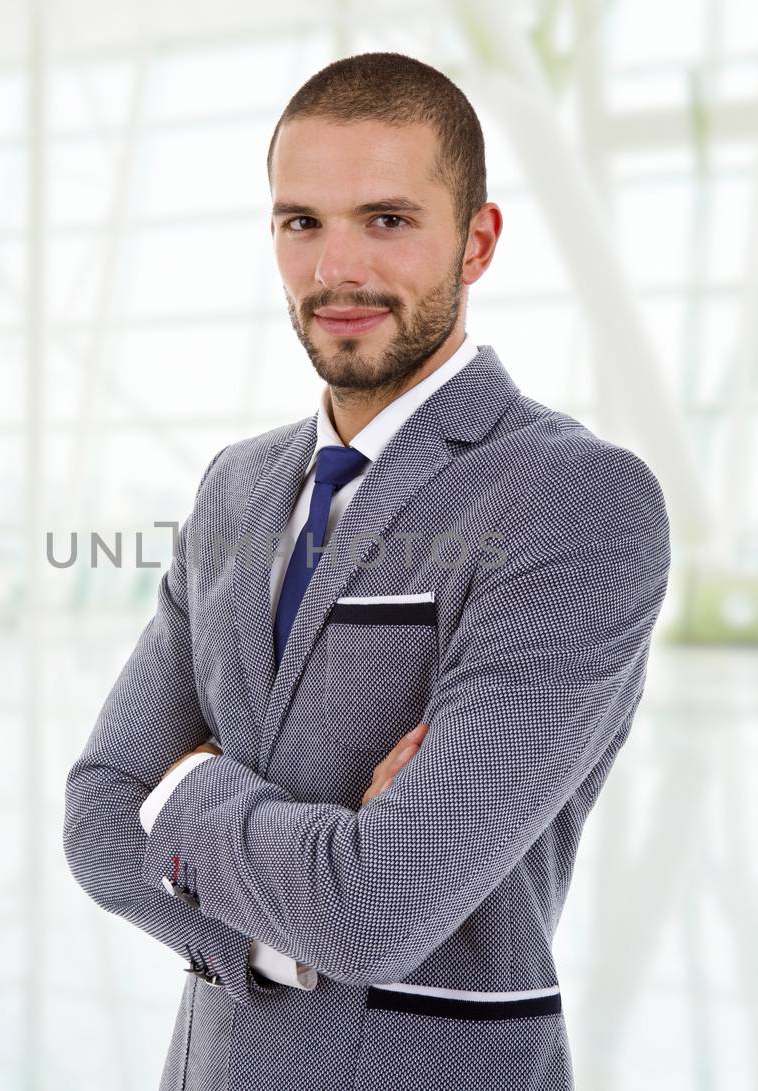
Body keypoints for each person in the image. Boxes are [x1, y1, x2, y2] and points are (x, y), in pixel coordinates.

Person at [64, 50, 671, 1091]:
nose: (336, 269)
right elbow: (95, 817)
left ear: (475, 242)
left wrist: (186, 789)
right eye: (302, 222)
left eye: (386, 220)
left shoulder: (573, 500)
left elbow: (378, 903)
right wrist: (281, 932)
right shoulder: (235, 490)